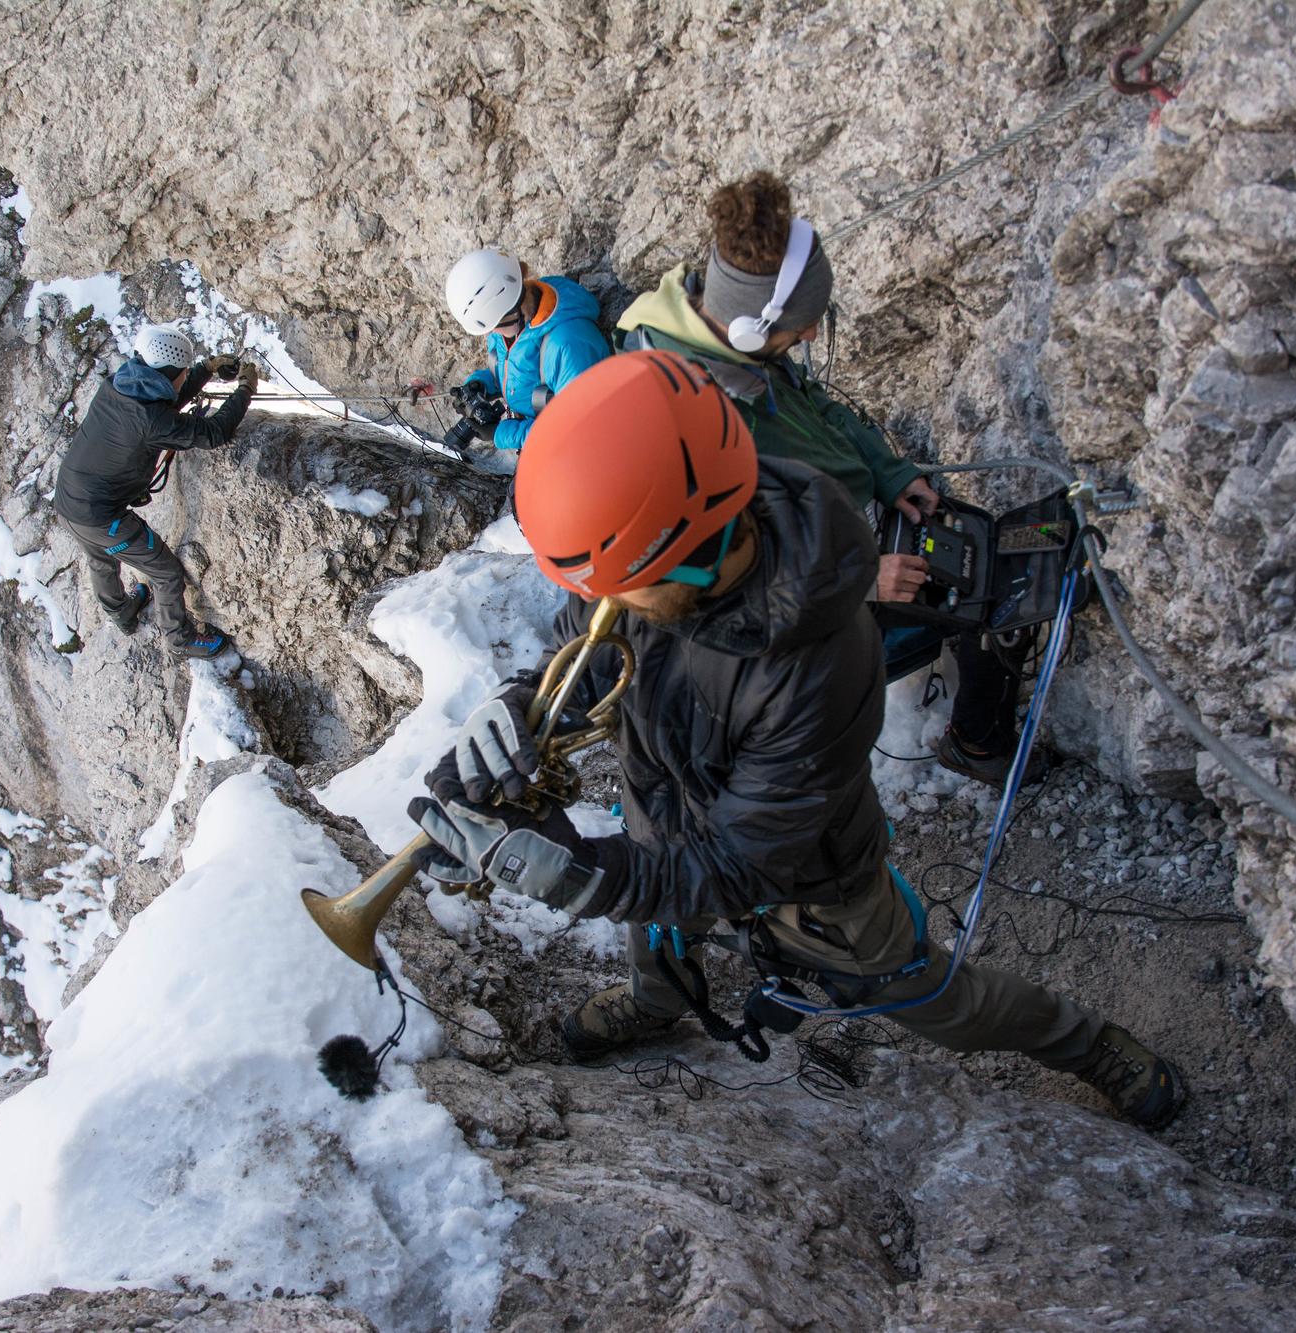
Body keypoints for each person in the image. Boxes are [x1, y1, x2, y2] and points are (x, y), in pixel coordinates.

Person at [406, 351, 1185, 1129]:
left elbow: (741, 866)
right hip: (666, 822)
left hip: (811, 878)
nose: (604, 604)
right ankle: (658, 1000)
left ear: (699, 549)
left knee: (928, 994)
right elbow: (593, 653)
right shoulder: (660, 552)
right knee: (660, 931)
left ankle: (1084, 1043)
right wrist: (516, 721)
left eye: (619, 586)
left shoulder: (822, 663)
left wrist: (584, 879)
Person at [618, 173, 1036, 787]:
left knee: (982, 554)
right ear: (751, 328)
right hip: (819, 589)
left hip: (851, 527)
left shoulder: (735, 344)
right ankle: (978, 745)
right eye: (802, 325)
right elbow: (727, 587)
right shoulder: (687, 424)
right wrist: (865, 582)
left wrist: (890, 474)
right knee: (997, 602)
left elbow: (820, 407)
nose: (811, 334)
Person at [53, 323, 255, 659]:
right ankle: (180, 639)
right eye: (184, 373)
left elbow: (163, 403)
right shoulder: (150, 421)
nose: (182, 379)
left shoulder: (120, 385)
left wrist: (205, 371)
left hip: (69, 500)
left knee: (100, 559)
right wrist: (246, 389)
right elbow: (214, 432)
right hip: (102, 517)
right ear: (172, 373)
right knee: (165, 571)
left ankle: (122, 613)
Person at [440, 248, 612, 451]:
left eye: (494, 324)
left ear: (513, 309)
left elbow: (577, 429)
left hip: (575, 454)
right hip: (540, 444)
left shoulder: (569, 344)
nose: (489, 334)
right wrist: (481, 385)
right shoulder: (514, 328)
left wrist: (501, 433)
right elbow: (518, 370)